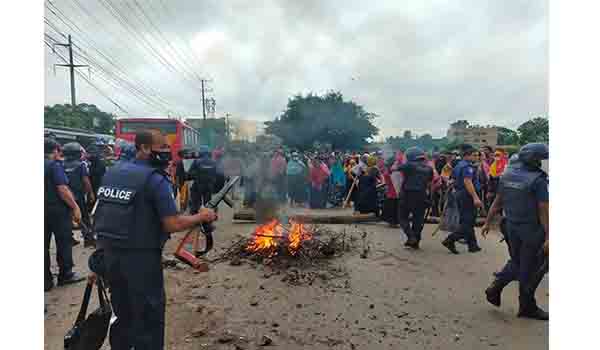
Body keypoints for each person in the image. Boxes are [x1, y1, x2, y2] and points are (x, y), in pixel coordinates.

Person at [94, 130, 218, 349]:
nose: (167, 153)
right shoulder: (155, 180)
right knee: (149, 315)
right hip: (141, 259)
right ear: (143, 148)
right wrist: (202, 216)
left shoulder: (113, 172)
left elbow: (101, 215)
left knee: (122, 312)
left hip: (110, 257)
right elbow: (172, 224)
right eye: (162, 148)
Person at [480, 143, 549, 321]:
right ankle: (526, 306)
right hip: (531, 229)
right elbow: (543, 210)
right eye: (541, 159)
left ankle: (496, 287)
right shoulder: (538, 180)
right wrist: (550, 236)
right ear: (534, 160)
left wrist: (487, 222)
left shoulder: (508, 175)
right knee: (534, 266)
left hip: (511, 226)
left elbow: (498, 201)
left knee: (518, 262)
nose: (542, 162)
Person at [45, 138, 86, 292]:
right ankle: (65, 274)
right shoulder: (54, 166)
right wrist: (75, 207)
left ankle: (45, 280)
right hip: (57, 211)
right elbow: (62, 189)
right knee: (63, 242)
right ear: (55, 151)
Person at [442, 145, 484, 254]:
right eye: (474, 155)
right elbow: (468, 182)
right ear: (466, 156)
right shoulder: (467, 167)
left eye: (477, 155)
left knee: (466, 220)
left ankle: (472, 245)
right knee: (468, 221)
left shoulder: (459, 165)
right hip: (467, 195)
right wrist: (475, 198)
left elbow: (453, 179)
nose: (477, 157)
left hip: (461, 194)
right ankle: (450, 240)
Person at [396, 147, 434, 249]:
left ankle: (411, 236)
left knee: (402, 217)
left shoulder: (409, 165)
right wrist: (430, 197)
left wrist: (397, 160)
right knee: (418, 219)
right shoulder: (429, 169)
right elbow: (430, 185)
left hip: (407, 195)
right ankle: (415, 241)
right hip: (422, 195)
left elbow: (395, 168)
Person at [63, 142, 96, 248]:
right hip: (79, 196)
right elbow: (86, 180)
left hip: (66, 196)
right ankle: (88, 239)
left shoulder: (60, 164)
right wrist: (90, 193)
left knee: (67, 218)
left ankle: (69, 239)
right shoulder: (81, 165)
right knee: (84, 217)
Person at [190, 146, 217, 213]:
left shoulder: (196, 161)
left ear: (201, 153)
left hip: (198, 185)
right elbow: (216, 174)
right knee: (207, 203)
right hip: (209, 185)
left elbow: (190, 173)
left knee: (196, 202)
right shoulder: (213, 162)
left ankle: (196, 215)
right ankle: (208, 217)